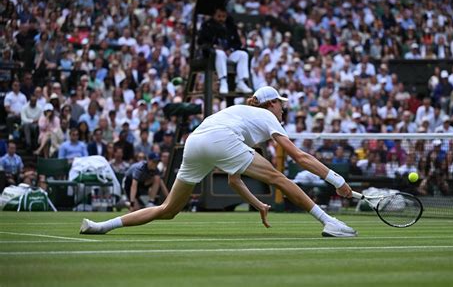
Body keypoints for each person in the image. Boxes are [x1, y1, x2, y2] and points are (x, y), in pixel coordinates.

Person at [80, 86, 357, 237]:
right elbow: (299, 156)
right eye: (280, 102)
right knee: (280, 178)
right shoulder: (266, 117)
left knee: (168, 209)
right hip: (219, 139)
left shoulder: (242, 116)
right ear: (270, 104)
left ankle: (102, 226)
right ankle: (328, 221)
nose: (283, 107)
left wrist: (257, 203)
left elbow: (234, 179)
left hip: (196, 142)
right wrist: (337, 180)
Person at [197, 5, 252, 94]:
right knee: (220, 53)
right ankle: (223, 81)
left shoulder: (230, 25)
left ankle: (241, 82)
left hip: (228, 53)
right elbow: (201, 41)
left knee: (243, 55)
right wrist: (213, 47)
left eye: (223, 16)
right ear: (214, 15)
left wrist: (231, 49)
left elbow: (237, 43)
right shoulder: (207, 25)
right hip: (213, 55)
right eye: (219, 16)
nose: (221, 19)